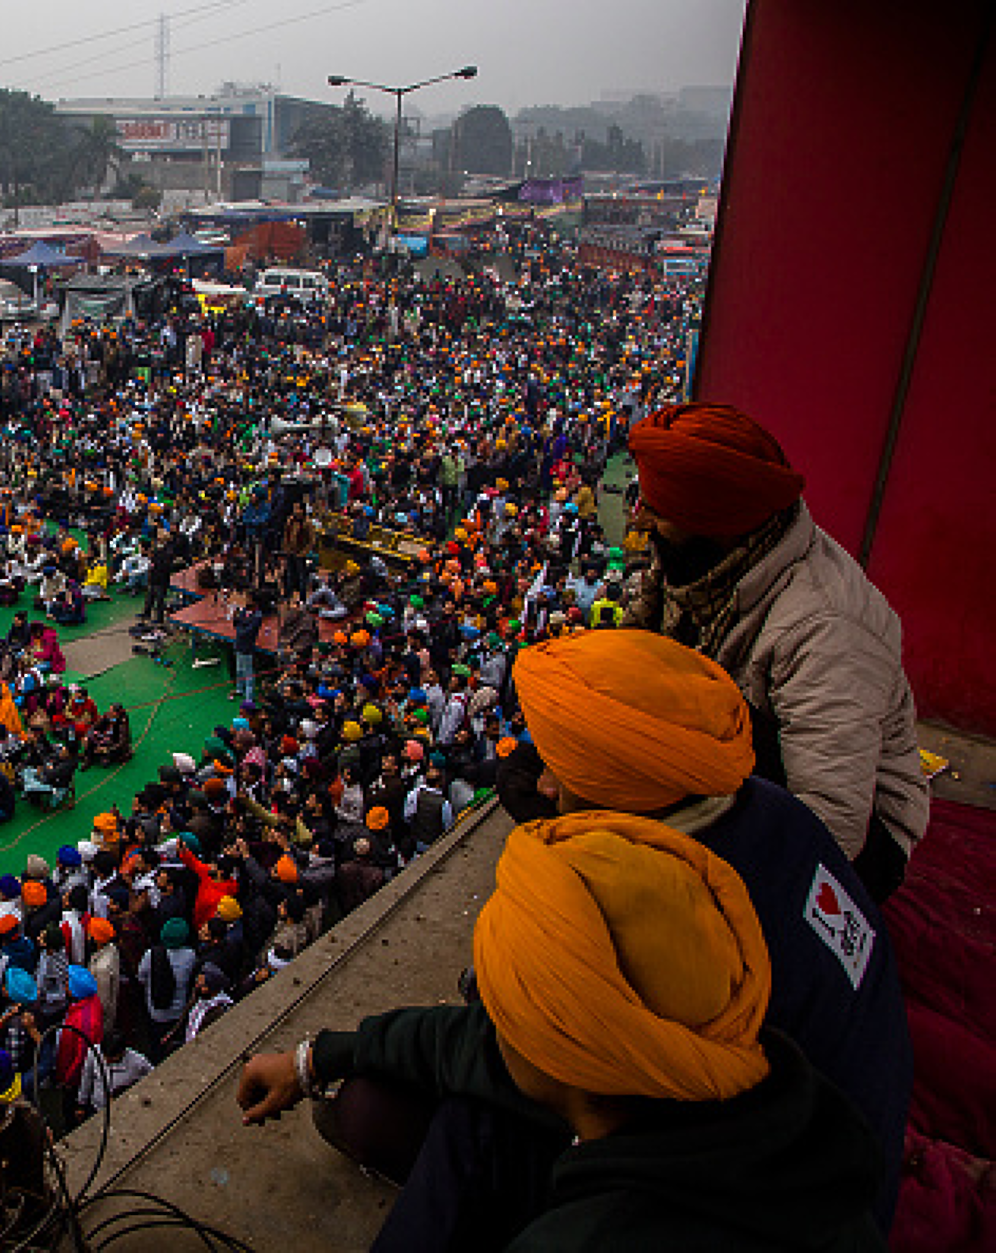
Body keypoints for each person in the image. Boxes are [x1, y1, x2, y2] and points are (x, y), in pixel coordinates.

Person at [236, 813, 885, 1253]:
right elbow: (470, 1043)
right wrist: (312, 1059)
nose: (484, 1012)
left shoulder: (590, 1237)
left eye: (507, 1006)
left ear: (562, 1049)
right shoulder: (703, 1070)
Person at [505, 626, 911, 1228]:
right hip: (856, 1135)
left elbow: (570, 1078)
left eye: (563, 767)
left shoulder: (680, 909)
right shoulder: (776, 808)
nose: (544, 786)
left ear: (627, 782)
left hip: (787, 1208)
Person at [625, 402, 927, 899]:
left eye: (658, 510)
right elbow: (636, 648)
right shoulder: (696, 560)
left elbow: (833, 827)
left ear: (713, 522)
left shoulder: (826, 626)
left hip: (853, 842)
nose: (642, 520)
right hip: (729, 770)